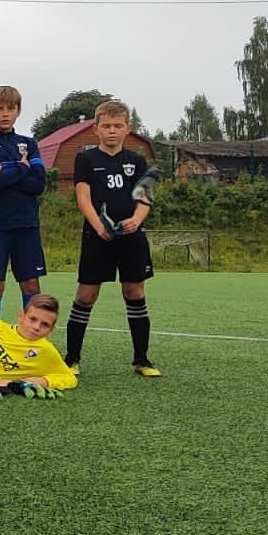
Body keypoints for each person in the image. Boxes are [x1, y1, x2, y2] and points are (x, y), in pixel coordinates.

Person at [65, 100, 162, 377]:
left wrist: (136, 220)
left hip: (131, 238)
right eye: (106, 126)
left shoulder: (137, 160)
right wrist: (99, 226)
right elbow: (83, 198)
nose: (112, 131)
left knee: (134, 292)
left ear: (127, 129)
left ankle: (141, 360)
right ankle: (71, 359)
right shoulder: (85, 159)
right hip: (97, 236)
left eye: (118, 126)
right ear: (95, 129)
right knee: (86, 295)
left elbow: (145, 197)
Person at [0, 85, 48, 326]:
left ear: (18, 111)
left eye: (11, 108)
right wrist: (23, 168)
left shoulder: (29, 143)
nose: (5, 113)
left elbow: (38, 185)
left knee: (31, 284)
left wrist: (4, 172)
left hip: (26, 224)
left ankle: (30, 339)